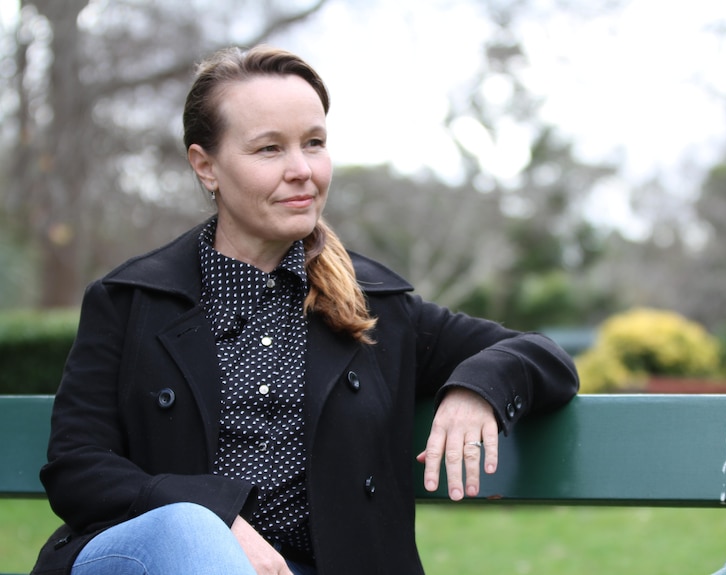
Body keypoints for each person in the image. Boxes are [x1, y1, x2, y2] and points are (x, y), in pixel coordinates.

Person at [31, 45, 578, 575]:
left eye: (313, 143)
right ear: (206, 166)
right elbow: (79, 466)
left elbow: (545, 356)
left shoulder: (377, 308)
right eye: (269, 149)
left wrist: (478, 385)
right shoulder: (131, 302)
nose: (302, 170)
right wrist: (212, 516)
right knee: (188, 534)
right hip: (154, 561)